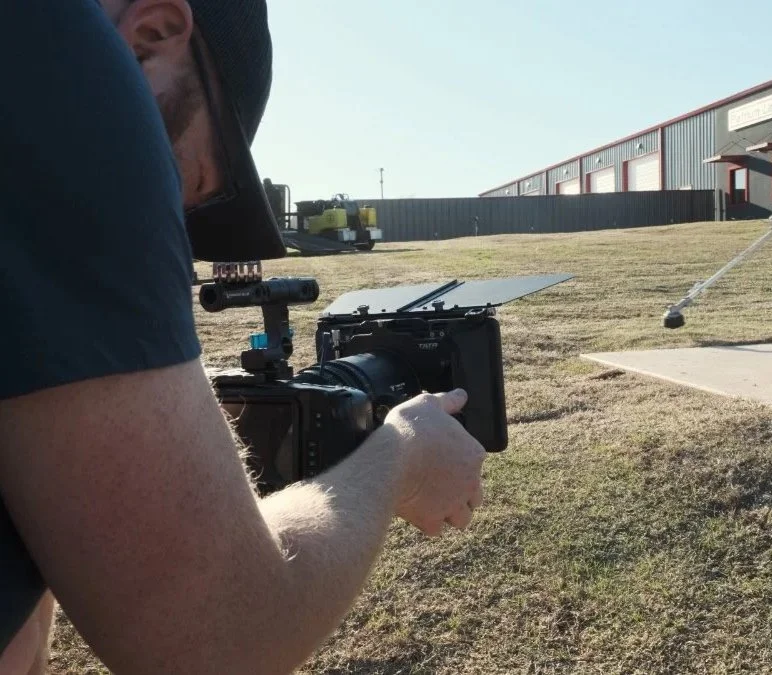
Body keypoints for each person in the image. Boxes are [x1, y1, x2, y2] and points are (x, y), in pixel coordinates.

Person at [0, 2, 487, 674]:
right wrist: (402, 453)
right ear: (156, 31)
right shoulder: (69, 74)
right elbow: (219, 641)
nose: (171, 216)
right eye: (182, 179)